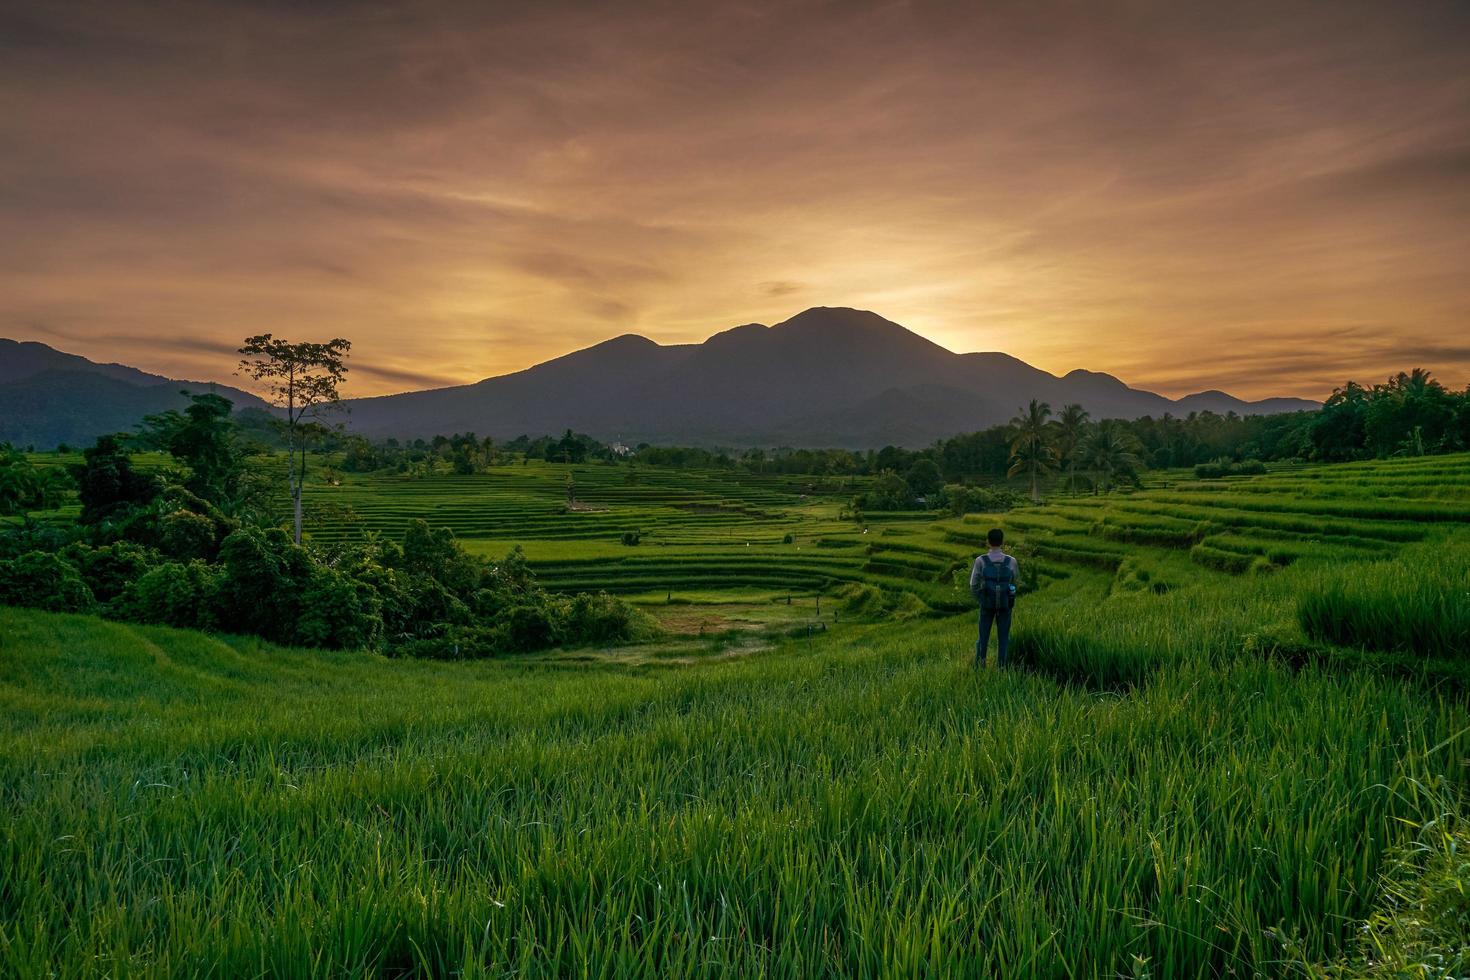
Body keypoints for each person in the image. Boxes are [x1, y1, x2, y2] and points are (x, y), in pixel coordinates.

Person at [970, 527, 1018, 668]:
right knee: (1003, 639)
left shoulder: (981, 561)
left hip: (987, 604)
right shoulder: (1012, 561)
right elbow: (1016, 581)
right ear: (1002, 542)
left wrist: (981, 599)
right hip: (1005, 604)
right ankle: (1002, 668)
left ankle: (980, 667)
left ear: (988, 542)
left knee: (983, 638)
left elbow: (973, 585)